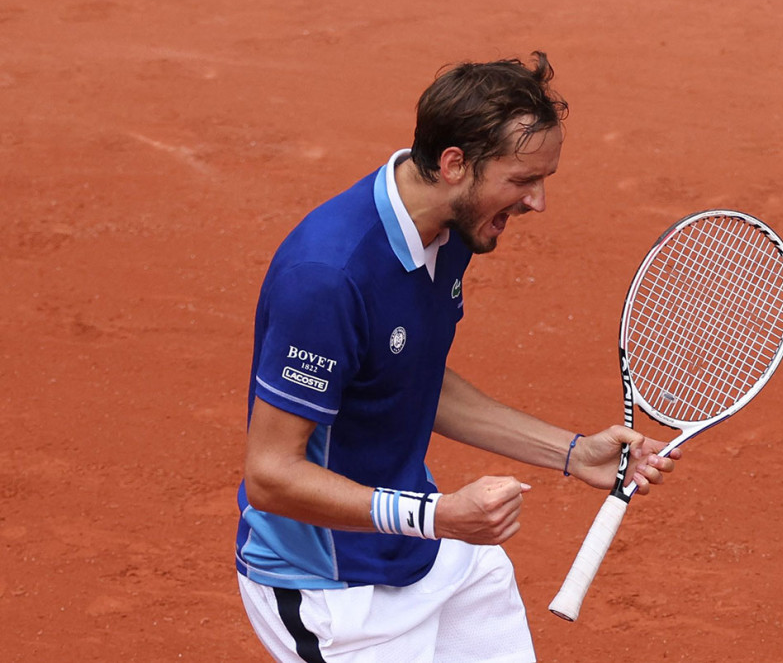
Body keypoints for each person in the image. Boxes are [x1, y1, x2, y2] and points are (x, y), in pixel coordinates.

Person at [235, 51, 681, 663]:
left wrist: (572, 453)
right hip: (334, 590)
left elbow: (412, 378)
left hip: (429, 552)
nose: (537, 202)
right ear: (454, 165)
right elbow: (270, 475)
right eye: (522, 180)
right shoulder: (328, 276)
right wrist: (437, 516)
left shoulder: (451, 229)